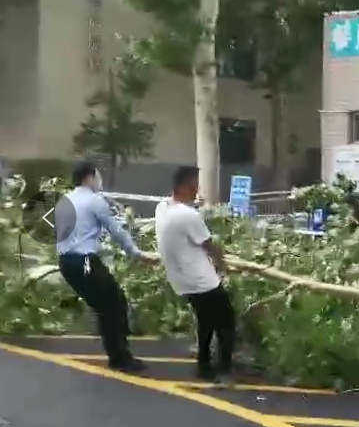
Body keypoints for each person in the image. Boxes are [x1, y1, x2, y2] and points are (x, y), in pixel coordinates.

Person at [55, 161, 154, 373]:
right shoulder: (94, 200)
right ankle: (120, 358)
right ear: (89, 177)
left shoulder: (64, 201)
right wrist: (135, 253)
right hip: (85, 261)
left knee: (106, 306)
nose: (100, 181)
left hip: (66, 262)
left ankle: (117, 353)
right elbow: (116, 231)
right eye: (98, 176)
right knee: (115, 304)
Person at [155, 166, 235, 383]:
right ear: (183, 186)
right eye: (194, 185)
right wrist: (223, 266)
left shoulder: (162, 208)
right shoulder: (187, 215)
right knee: (226, 323)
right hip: (202, 281)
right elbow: (209, 245)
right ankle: (224, 371)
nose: (196, 190)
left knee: (205, 320)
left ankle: (204, 364)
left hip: (181, 281)